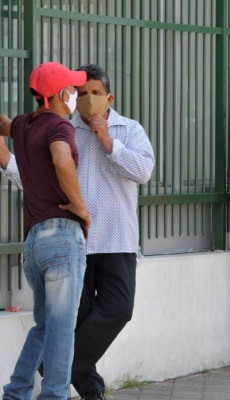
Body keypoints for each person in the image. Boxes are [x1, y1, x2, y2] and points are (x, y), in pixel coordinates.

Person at [0, 64, 155, 399]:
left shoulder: (128, 129)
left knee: (118, 309)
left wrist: (109, 141)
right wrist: (6, 160)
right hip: (77, 241)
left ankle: (57, 368)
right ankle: (89, 388)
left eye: (95, 94)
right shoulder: (61, 128)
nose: (86, 100)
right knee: (75, 320)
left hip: (116, 239)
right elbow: (34, 174)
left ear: (109, 97)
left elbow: (144, 171)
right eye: (81, 93)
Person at [0, 62, 90, 400]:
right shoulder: (59, 127)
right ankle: (53, 396)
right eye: (73, 89)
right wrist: (81, 209)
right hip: (62, 238)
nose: (76, 95)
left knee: (44, 327)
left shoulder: (24, 125)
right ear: (59, 94)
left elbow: (5, 124)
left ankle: (15, 392)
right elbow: (62, 160)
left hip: (34, 242)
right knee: (62, 331)